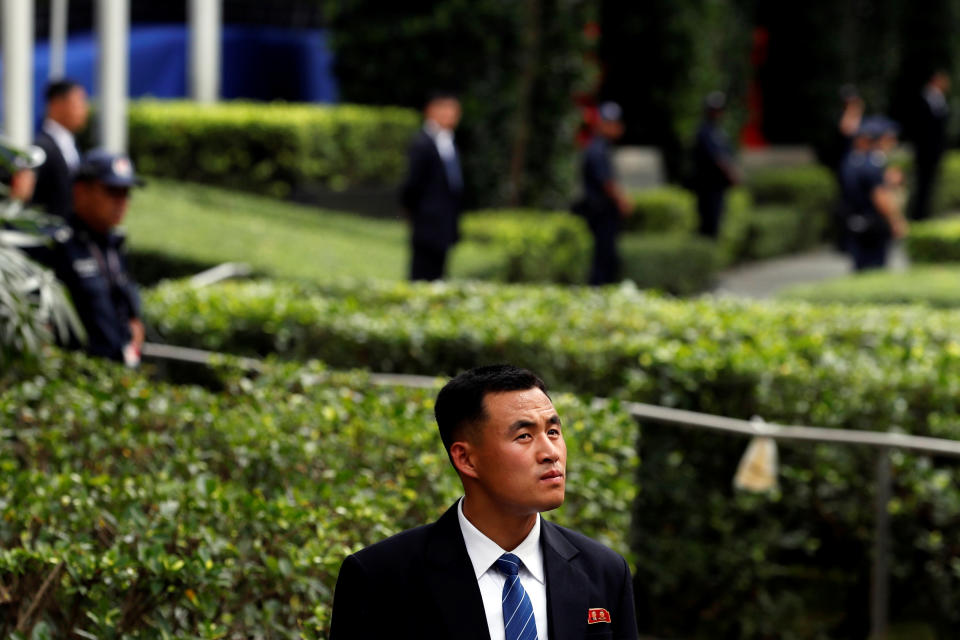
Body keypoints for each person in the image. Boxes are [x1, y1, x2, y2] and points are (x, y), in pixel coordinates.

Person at [330, 364, 639, 640]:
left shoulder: (604, 570)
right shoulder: (380, 577)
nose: (551, 452)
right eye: (524, 436)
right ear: (466, 458)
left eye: (554, 431)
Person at [21, 149, 146, 365]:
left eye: (126, 192)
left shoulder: (115, 244)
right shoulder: (55, 244)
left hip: (119, 375)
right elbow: (35, 321)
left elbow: (130, 311)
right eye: (112, 191)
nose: (121, 202)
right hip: (76, 380)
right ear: (81, 190)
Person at [401, 91, 464, 281]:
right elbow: (412, 183)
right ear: (431, 111)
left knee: (439, 272)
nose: (451, 116)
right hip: (426, 220)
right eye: (446, 110)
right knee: (422, 273)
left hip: (445, 220)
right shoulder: (422, 143)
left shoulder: (448, 140)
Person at [839, 117, 908, 271]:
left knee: (860, 266)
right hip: (873, 224)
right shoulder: (873, 164)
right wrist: (896, 221)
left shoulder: (850, 160)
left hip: (854, 221)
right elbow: (879, 196)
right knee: (875, 267)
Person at [578, 101, 631, 286]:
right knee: (603, 257)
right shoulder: (598, 148)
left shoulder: (603, 147)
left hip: (602, 211)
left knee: (607, 257)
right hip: (600, 211)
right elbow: (606, 182)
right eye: (610, 123)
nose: (616, 127)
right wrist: (622, 200)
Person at [30, 79, 90, 218]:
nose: (84, 109)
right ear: (57, 104)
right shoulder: (40, 148)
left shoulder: (72, 145)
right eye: (79, 102)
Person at [691, 91, 740, 239]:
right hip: (708, 184)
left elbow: (728, 155)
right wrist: (732, 173)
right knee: (709, 222)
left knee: (718, 220)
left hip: (719, 185)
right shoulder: (704, 131)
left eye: (720, 110)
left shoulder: (720, 132)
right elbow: (717, 158)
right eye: (714, 110)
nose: (718, 113)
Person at [908, 70, 950, 221]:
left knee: (929, 185)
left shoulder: (940, 99)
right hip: (924, 151)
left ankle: (925, 213)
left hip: (934, 151)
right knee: (922, 184)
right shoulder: (923, 99)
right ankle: (918, 215)